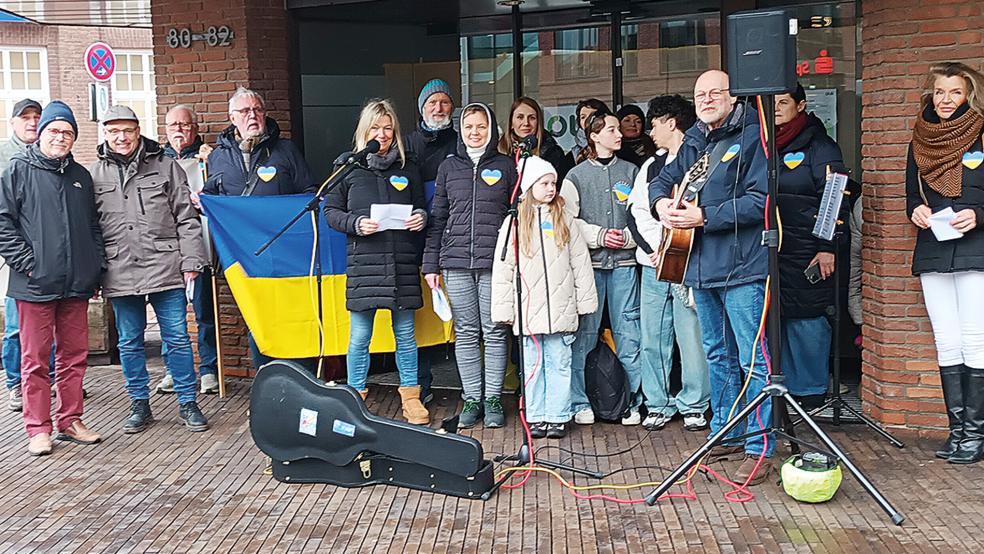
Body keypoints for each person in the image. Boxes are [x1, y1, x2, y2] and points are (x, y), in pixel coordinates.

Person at [651, 70, 774, 484]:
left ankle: (759, 446)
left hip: (743, 267)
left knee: (752, 359)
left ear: (733, 97)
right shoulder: (694, 140)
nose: (706, 100)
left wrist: (705, 216)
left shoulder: (754, 137)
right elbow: (662, 181)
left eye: (714, 93)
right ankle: (727, 431)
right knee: (718, 355)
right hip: (700, 268)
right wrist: (660, 205)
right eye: (699, 94)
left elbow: (761, 201)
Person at [89, 105, 210, 434]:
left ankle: (188, 402)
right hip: (119, 269)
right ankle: (139, 403)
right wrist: (94, 272)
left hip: (165, 266)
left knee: (178, 339)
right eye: (114, 131)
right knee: (129, 342)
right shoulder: (94, 174)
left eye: (127, 130)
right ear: (105, 134)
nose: (122, 137)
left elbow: (186, 218)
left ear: (138, 130)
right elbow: (90, 229)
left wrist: (191, 261)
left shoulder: (166, 165)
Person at [0, 101, 104, 456]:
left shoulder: (81, 177)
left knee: (74, 357)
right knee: (35, 360)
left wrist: (94, 266)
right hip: (34, 284)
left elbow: (92, 226)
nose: (60, 137)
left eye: (68, 132)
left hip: (76, 283)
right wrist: (29, 264)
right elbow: (3, 223)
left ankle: (70, 420)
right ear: (42, 133)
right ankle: (37, 428)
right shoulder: (18, 170)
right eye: (54, 131)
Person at [324, 99, 430, 425]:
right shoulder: (347, 167)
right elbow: (330, 212)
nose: (382, 134)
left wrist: (421, 218)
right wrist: (356, 224)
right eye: (375, 128)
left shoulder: (408, 167)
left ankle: (411, 397)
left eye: (388, 128)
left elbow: (421, 206)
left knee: (406, 335)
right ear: (364, 131)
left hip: (401, 263)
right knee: (359, 337)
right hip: (364, 265)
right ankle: (355, 398)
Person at [203, 87, 316, 370]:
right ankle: (268, 380)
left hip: (285, 253)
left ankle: (299, 379)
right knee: (257, 321)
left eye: (257, 110)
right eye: (245, 111)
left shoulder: (286, 150)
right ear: (232, 118)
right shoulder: (218, 157)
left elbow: (309, 193)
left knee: (291, 318)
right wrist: (201, 202)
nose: (252, 115)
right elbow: (212, 198)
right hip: (243, 256)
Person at [906, 62, 984, 464]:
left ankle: (975, 435)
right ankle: (957, 433)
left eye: (955, 92)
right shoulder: (919, 138)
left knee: (975, 340)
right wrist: (916, 210)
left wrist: (979, 214)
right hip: (934, 247)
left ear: (970, 95)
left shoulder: (982, 133)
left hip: (976, 249)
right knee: (947, 341)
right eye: (940, 92)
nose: (946, 99)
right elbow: (911, 195)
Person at [491, 156, 597, 439]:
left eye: (553, 183)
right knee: (533, 365)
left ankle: (558, 416)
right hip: (530, 311)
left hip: (561, 308)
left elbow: (580, 262)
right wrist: (504, 309)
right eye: (544, 183)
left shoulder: (565, 219)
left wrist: (585, 300)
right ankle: (536, 415)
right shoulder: (514, 223)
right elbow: (504, 268)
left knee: (560, 362)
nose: (551, 188)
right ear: (529, 186)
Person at [422, 103, 515, 428]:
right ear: (461, 131)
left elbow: (516, 217)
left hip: (495, 263)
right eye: (469, 127)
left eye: (481, 126)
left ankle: (493, 399)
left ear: (491, 129)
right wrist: (430, 265)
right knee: (465, 332)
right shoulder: (449, 167)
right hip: (455, 262)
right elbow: (438, 218)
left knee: (494, 331)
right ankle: (472, 398)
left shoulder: (506, 166)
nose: (475, 132)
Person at [626, 94, 709, 432]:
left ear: (671, 123)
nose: (650, 131)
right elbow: (636, 212)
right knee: (653, 336)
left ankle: (694, 404)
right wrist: (656, 248)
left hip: (691, 261)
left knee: (691, 336)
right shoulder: (651, 166)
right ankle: (658, 403)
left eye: (655, 124)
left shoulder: (702, 160)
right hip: (654, 263)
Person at [561, 110, 643, 426]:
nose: (619, 134)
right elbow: (567, 221)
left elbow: (643, 215)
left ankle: (631, 402)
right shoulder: (575, 176)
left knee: (629, 335)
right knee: (583, 336)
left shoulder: (633, 172)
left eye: (618, 128)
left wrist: (627, 238)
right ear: (594, 136)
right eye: (611, 129)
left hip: (625, 265)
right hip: (589, 268)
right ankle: (580, 401)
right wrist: (598, 235)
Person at [773, 84, 850, 410]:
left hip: (809, 250)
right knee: (780, 320)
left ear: (801, 105)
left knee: (807, 320)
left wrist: (827, 246)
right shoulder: (764, 143)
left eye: (784, 102)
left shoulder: (820, 146)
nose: (777, 108)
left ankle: (811, 393)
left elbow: (835, 198)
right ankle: (787, 391)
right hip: (774, 249)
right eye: (772, 103)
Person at [157, 103, 219, 395]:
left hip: (200, 244)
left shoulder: (208, 158)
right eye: (173, 126)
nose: (179, 131)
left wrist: (212, 161)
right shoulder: (156, 160)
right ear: (165, 130)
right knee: (171, 313)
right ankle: (173, 369)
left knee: (205, 312)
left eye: (184, 125)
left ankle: (209, 369)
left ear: (194, 128)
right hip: (167, 249)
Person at [404, 79, 458, 404]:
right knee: (420, 319)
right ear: (422, 108)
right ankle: (420, 386)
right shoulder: (406, 144)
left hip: (455, 241)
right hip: (415, 243)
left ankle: (471, 388)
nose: (438, 108)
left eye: (444, 102)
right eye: (432, 103)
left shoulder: (462, 141)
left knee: (464, 317)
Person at [0, 98, 56, 411]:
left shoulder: (53, 154)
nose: (32, 122)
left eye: (37, 116)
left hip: (49, 255)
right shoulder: (4, 158)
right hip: (14, 256)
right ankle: (15, 383)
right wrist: (18, 255)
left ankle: (48, 379)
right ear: (13, 123)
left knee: (49, 325)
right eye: (25, 117)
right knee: (15, 326)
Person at [497, 96, 573, 180]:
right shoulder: (498, 152)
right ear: (511, 123)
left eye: (532, 118)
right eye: (520, 117)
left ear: (538, 123)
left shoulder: (554, 154)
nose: (526, 123)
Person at [572, 98, 610, 163]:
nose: (588, 120)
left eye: (593, 116)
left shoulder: (617, 147)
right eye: (583, 117)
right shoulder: (572, 156)